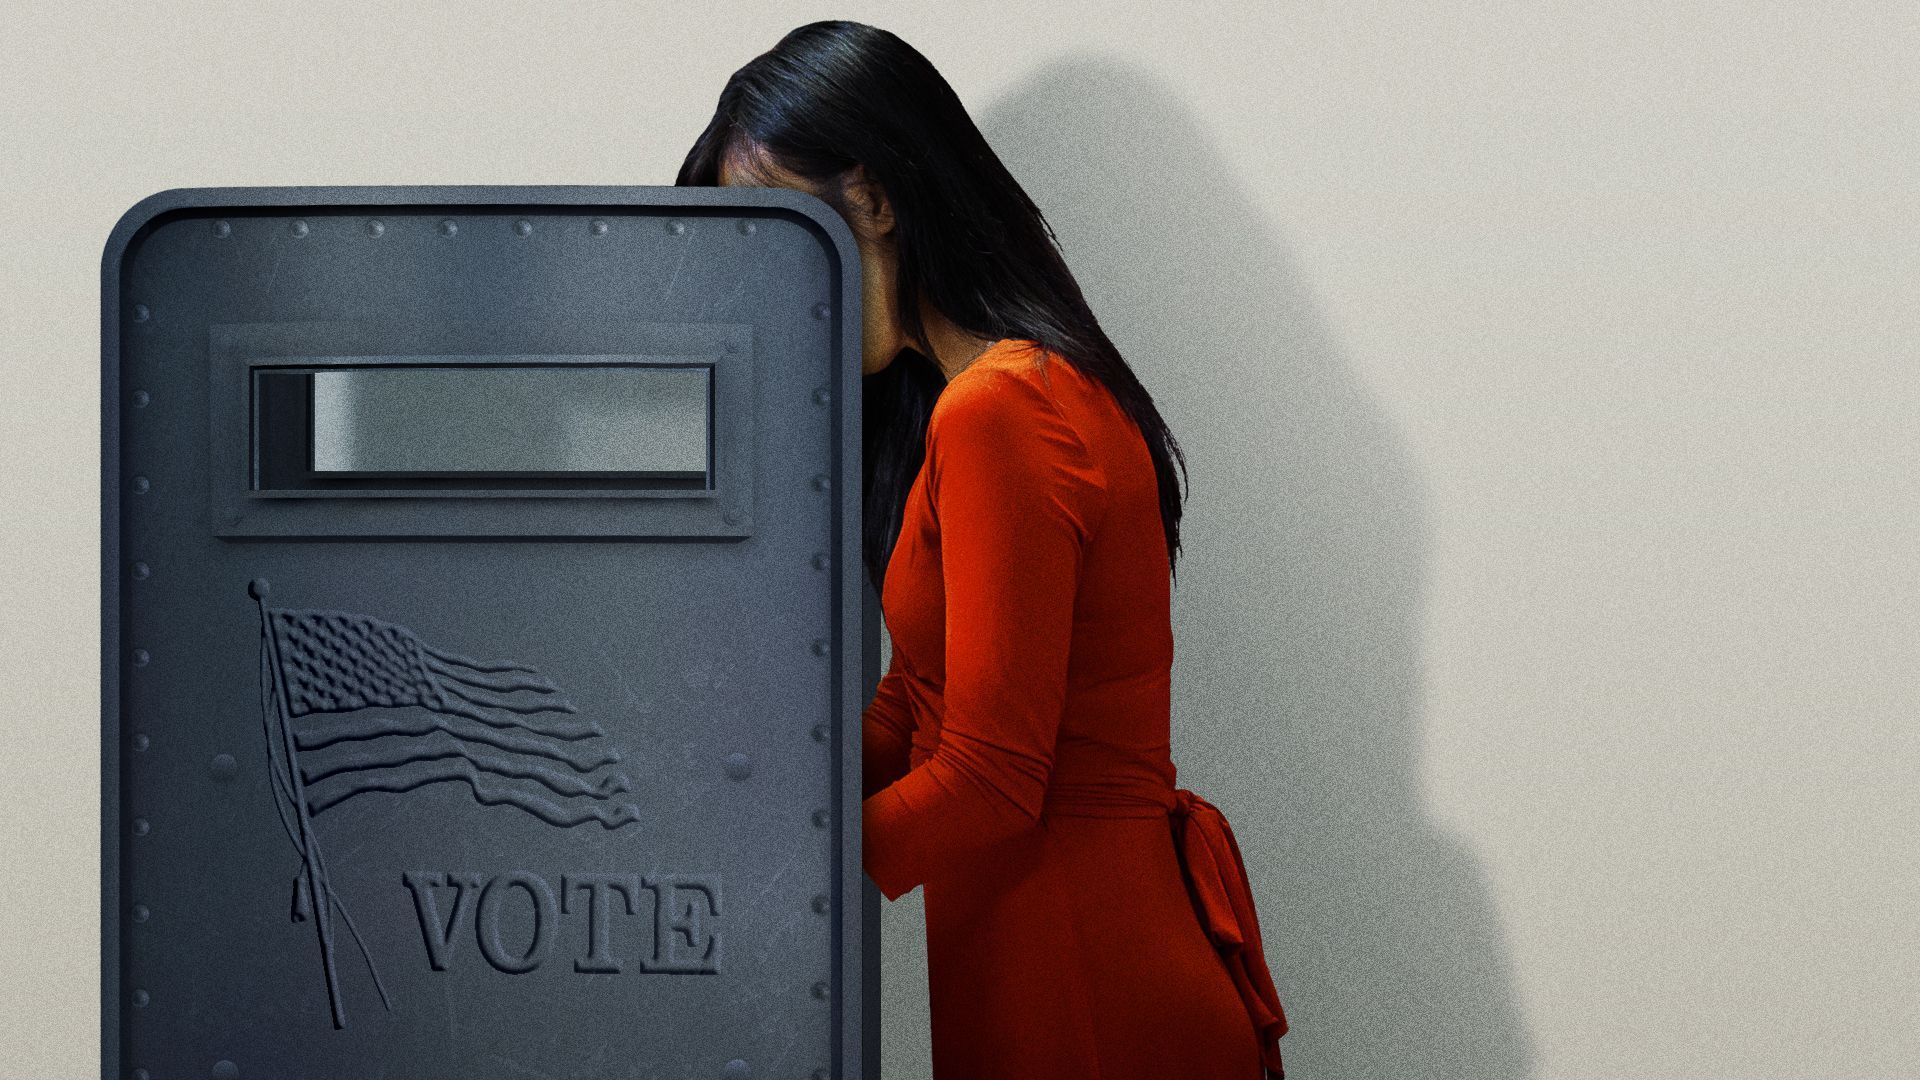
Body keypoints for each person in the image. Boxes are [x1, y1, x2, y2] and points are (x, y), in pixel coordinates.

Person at [680, 20, 1289, 1079]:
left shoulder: (1002, 411)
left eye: (776, 227)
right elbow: (917, 707)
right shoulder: (972, 406)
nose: (774, 288)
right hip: (1042, 958)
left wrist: (777, 879)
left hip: (1083, 982)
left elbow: (993, 776)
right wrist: (749, 800)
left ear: (870, 198)